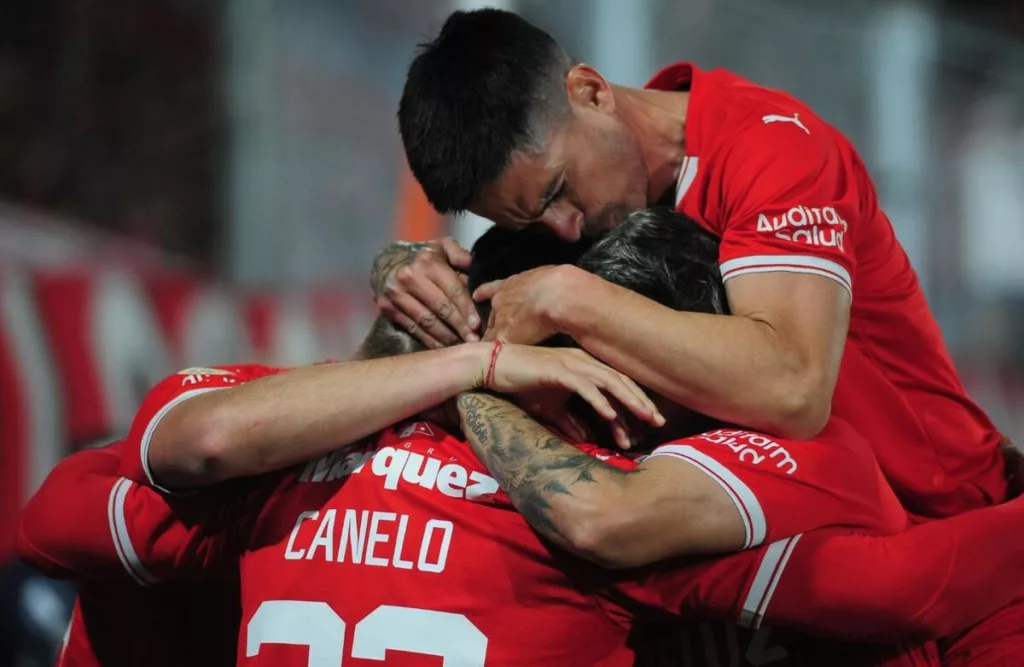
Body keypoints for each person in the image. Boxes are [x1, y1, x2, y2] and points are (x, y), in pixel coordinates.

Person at [19, 223, 1024, 666]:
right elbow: (909, 581)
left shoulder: (287, 465)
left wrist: (455, 369)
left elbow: (58, 511)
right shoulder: (624, 510)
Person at [386, 10, 1023, 663]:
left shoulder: (772, 150)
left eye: (558, 192)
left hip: (961, 555)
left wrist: (569, 295)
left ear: (592, 91)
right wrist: (408, 273)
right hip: (765, 555)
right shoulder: (581, 195)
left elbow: (794, 387)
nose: (567, 231)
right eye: (531, 218)